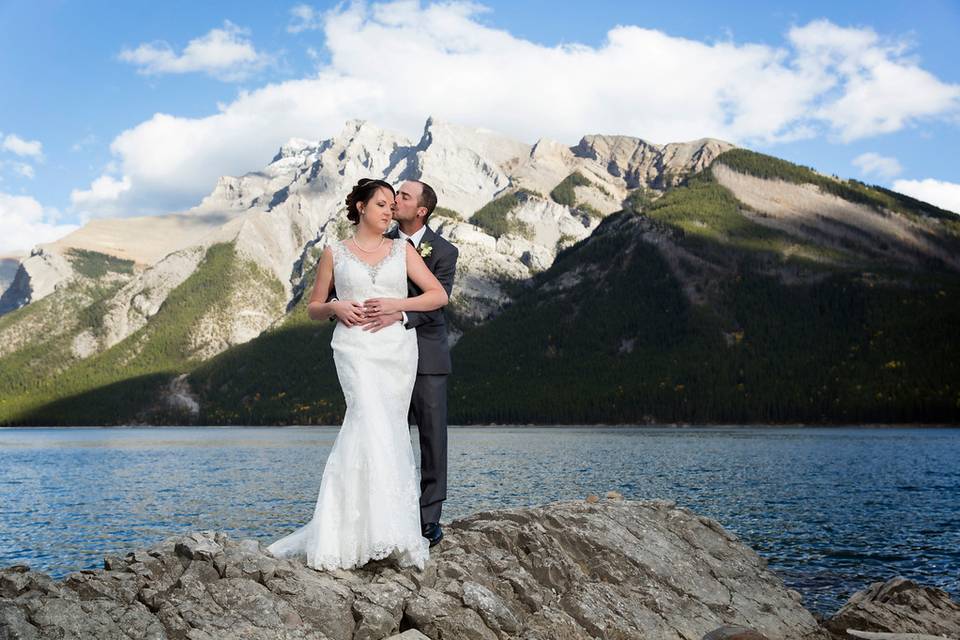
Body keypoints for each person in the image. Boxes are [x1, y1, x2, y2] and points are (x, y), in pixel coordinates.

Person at [266, 178, 449, 571]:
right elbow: (313, 307)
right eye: (381, 204)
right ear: (361, 207)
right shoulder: (334, 251)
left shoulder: (402, 249)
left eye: (392, 204)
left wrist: (395, 306)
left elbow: (438, 295)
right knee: (365, 423)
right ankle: (346, 532)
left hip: (395, 351)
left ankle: (391, 530)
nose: (389, 211)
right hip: (353, 350)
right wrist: (336, 307)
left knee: (389, 431)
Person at [361, 180, 459, 547]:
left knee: (433, 440)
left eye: (403, 196)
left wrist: (399, 315)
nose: (395, 200)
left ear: (421, 210)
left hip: (426, 357)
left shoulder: (444, 251)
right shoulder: (378, 242)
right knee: (384, 437)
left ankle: (428, 520)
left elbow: (439, 301)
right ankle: (387, 516)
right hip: (381, 356)